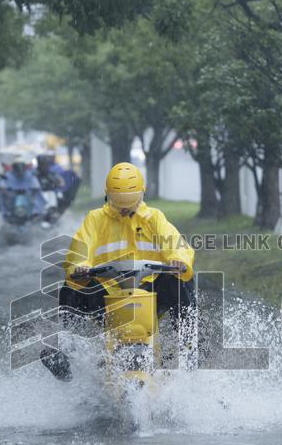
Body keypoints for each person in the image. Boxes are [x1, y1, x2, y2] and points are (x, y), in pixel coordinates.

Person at [40, 162, 196, 381]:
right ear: (108, 195)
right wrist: (80, 267)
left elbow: (176, 244)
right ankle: (65, 350)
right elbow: (79, 248)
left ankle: (190, 346)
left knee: (180, 280)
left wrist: (179, 260)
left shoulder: (155, 218)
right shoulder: (95, 219)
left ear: (142, 194)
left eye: (130, 205)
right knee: (70, 287)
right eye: (119, 203)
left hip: (150, 291)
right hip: (107, 294)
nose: (125, 209)